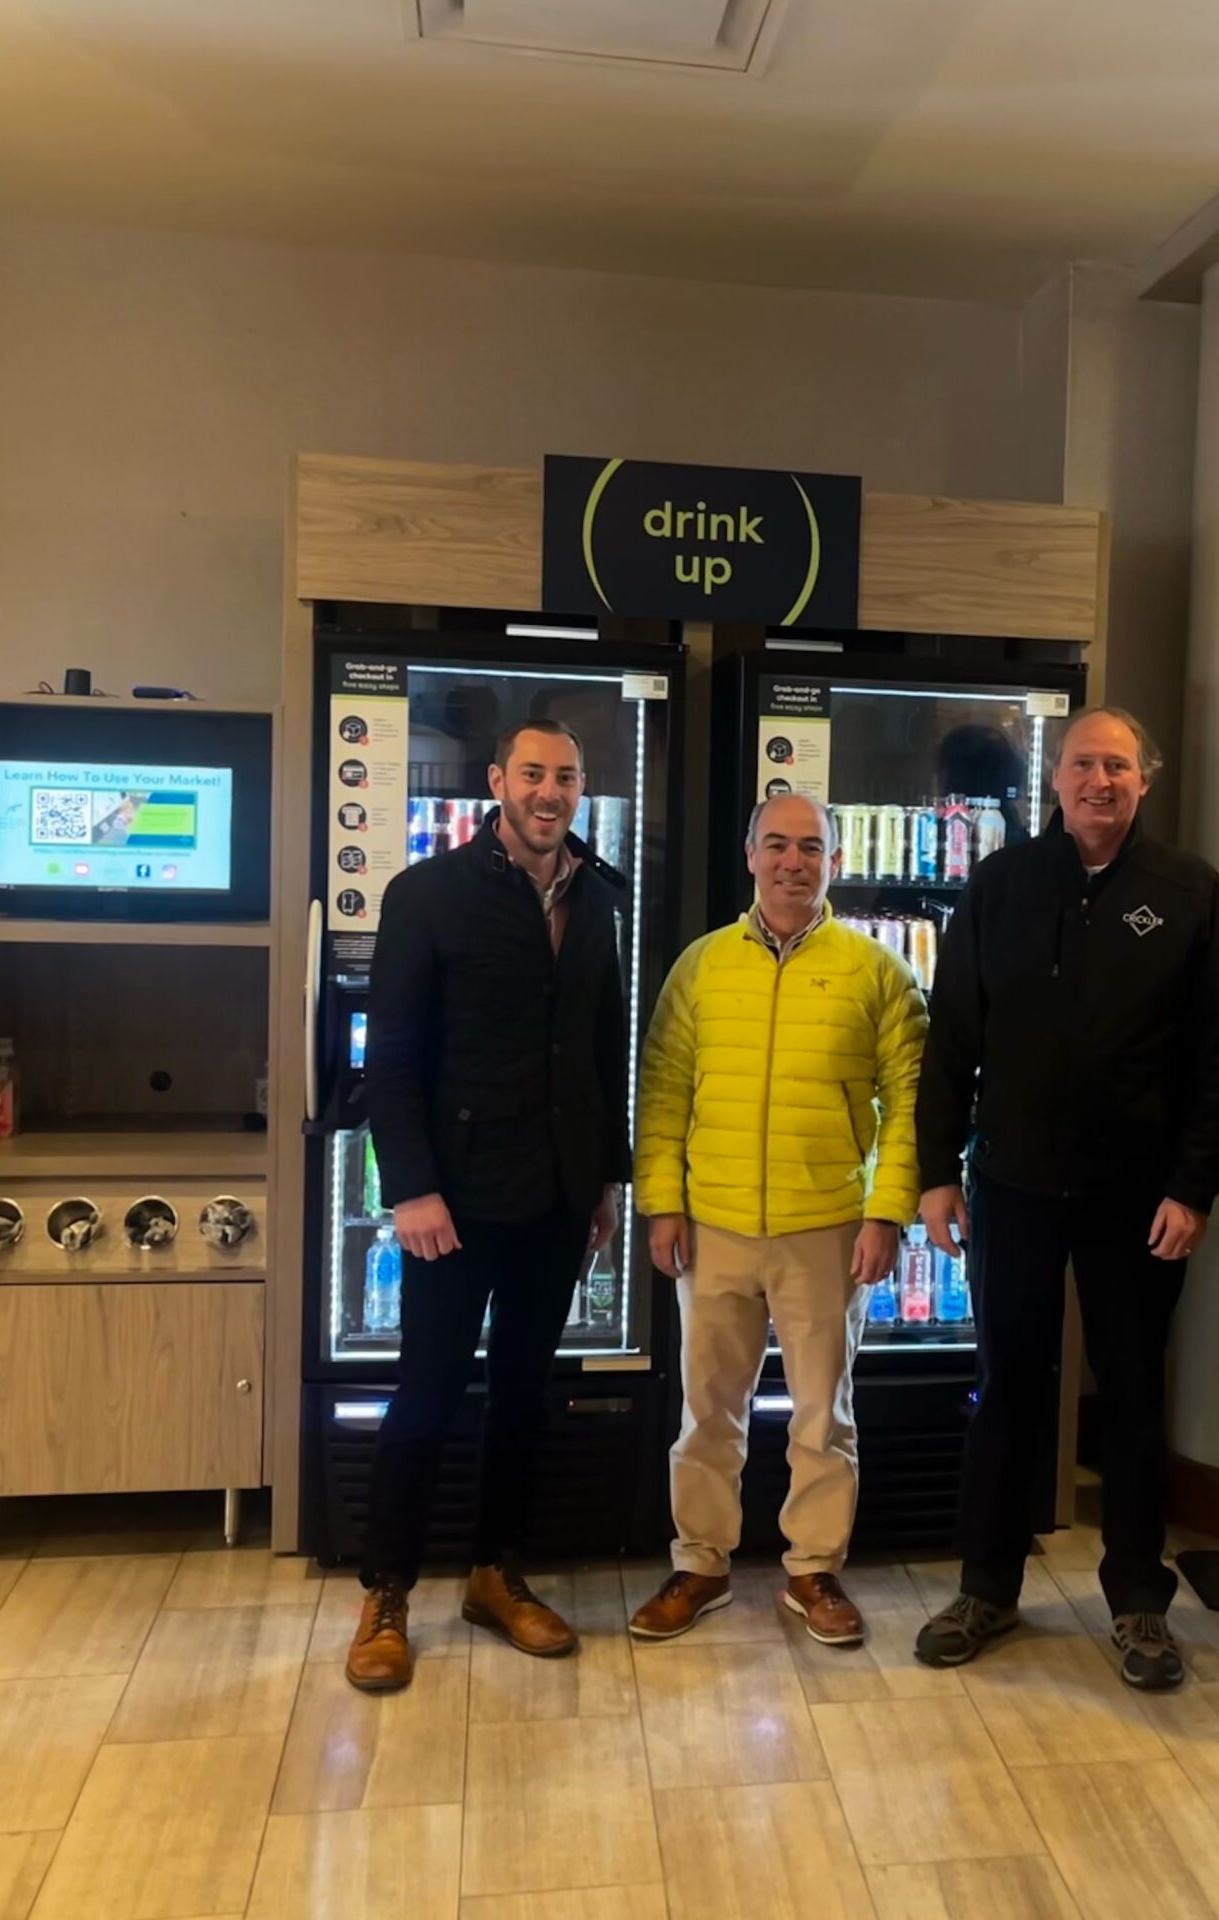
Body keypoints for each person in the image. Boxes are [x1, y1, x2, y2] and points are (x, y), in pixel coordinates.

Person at [913, 707, 1219, 1690]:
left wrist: (1192, 1187)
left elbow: (1217, 1055)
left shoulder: (1187, 889)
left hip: (1137, 1197)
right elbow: (951, 1035)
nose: (1100, 781)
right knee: (1005, 1388)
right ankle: (986, 1588)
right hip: (1011, 1184)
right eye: (1084, 765)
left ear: (1146, 779)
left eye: (1118, 766)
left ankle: (1139, 1604)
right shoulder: (1002, 883)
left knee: (1132, 1397)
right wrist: (936, 1171)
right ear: (1054, 780)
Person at [345, 720, 631, 1694]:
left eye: (567, 777)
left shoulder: (597, 897)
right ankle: (386, 1593)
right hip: (454, 1201)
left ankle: (494, 1575)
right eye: (534, 774)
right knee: (424, 1398)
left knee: (523, 1395)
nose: (550, 792)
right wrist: (410, 1187)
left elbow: (602, 1048)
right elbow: (390, 1059)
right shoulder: (426, 893)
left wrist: (604, 1183)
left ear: (580, 791)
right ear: (498, 782)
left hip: (556, 1197)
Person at [626, 794, 928, 1646]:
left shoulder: (877, 972)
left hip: (827, 1227)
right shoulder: (701, 966)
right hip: (712, 1225)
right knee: (705, 1412)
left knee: (823, 1417)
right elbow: (663, 1092)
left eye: (811, 848)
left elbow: (910, 1104)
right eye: (778, 846)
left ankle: (814, 1570)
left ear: (835, 860)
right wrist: (662, 1202)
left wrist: (886, 1213)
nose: (794, 862)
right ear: (750, 854)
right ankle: (700, 1564)